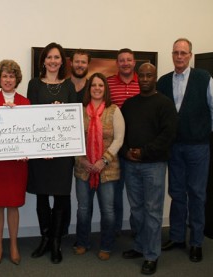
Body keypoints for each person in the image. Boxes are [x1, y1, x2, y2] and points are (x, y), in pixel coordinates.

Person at [158, 38, 213, 262]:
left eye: (183, 53)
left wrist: (200, 132)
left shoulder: (204, 78)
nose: (179, 56)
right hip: (174, 147)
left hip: (197, 147)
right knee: (176, 193)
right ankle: (176, 237)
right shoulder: (163, 81)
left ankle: (196, 241)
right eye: (175, 52)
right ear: (172, 54)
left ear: (190, 55)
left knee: (196, 194)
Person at [120, 63, 177, 275]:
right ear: (137, 78)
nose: (144, 79)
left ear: (155, 78)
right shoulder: (129, 104)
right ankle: (140, 245)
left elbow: (168, 135)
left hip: (154, 165)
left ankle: (151, 255)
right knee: (136, 210)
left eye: (149, 75)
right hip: (131, 165)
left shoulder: (165, 104)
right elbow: (121, 132)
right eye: (141, 75)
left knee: (152, 211)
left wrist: (144, 152)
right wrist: (126, 152)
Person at [27, 42, 77, 264]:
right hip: (40, 152)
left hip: (63, 154)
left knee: (60, 198)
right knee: (41, 197)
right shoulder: (34, 84)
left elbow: (73, 122)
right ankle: (45, 238)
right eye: (49, 57)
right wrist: (42, 147)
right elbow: (32, 118)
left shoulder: (69, 87)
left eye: (57, 57)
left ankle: (56, 241)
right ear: (43, 61)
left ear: (62, 61)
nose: (53, 61)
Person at [73, 73, 125, 261]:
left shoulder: (114, 111)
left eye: (100, 85)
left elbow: (119, 140)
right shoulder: (79, 111)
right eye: (93, 85)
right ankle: (82, 242)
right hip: (83, 168)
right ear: (89, 89)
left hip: (108, 170)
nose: (96, 88)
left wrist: (103, 161)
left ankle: (106, 245)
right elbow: (73, 139)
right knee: (83, 209)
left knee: (108, 211)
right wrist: (82, 160)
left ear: (105, 89)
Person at [0, 60, 30, 266]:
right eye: (4, 76)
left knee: (13, 205)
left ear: (17, 79)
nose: (8, 80)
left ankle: (13, 245)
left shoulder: (25, 102)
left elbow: (30, 132)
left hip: (17, 163)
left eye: (11, 76)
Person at [106, 48, 140, 236]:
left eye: (129, 60)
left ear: (134, 62)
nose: (125, 63)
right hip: (114, 148)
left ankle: (137, 231)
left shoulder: (143, 83)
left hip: (136, 146)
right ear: (117, 63)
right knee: (115, 195)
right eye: (121, 60)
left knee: (136, 195)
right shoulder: (109, 84)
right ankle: (115, 231)